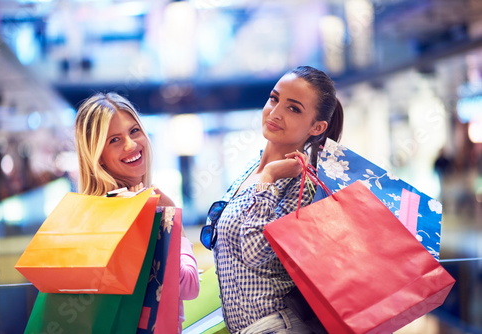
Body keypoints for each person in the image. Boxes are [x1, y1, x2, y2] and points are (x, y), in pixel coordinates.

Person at [202, 66, 344, 333]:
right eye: (273, 98)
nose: (275, 112)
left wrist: (269, 178)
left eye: (294, 109)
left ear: (317, 127)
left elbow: (256, 252)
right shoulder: (249, 169)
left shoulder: (304, 185)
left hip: (277, 326)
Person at [75, 92, 200, 332]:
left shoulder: (88, 213)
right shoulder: (135, 211)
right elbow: (187, 285)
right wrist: (173, 219)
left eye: (134, 131)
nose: (131, 144)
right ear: (97, 156)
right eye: (114, 140)